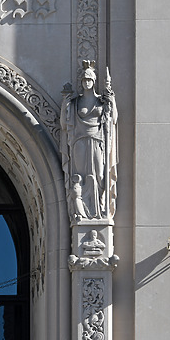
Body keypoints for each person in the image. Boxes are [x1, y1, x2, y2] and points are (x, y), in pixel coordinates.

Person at [61, 61, 118, 220]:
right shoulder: (75, 103)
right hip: (79, 141)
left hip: (98, 141)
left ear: (93, 82)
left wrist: (111, 100)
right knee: (80, 176)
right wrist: (65, 103)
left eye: (89, 80)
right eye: (84, 80)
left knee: (100, 174)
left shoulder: (102, 101)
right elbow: (64, 124)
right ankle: (82, 211)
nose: (87, 82)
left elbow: (113, 119)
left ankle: (99, 209)